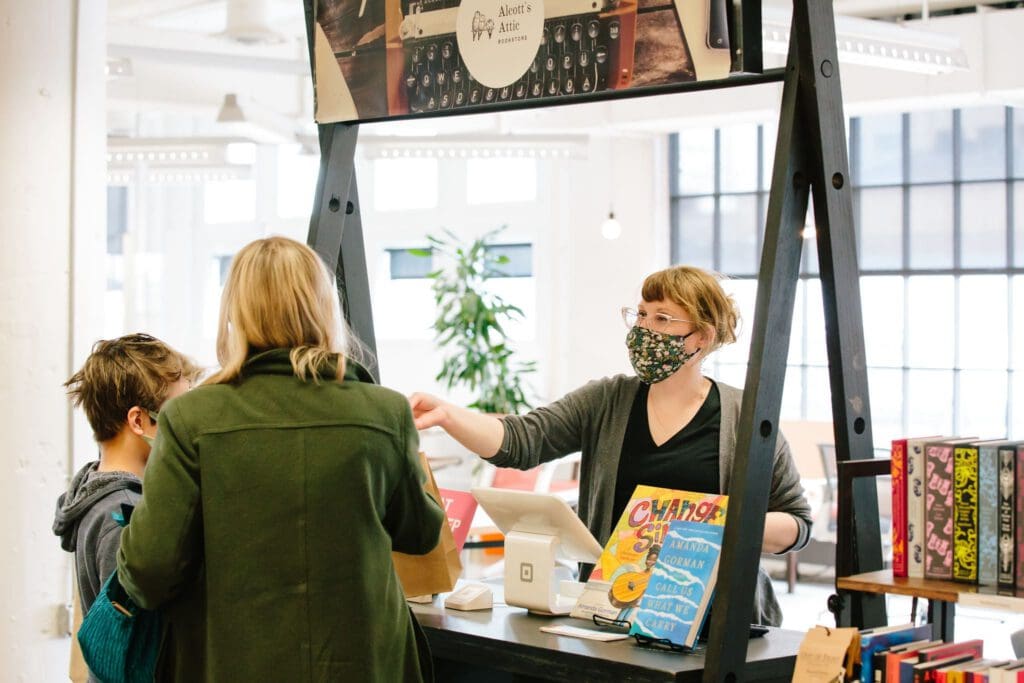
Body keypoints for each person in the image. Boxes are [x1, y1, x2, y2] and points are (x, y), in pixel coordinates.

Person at [116, 236, 446, 682]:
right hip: (364, 665)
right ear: (323, 307)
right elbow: (422, 533)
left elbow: (149, 570)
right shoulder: (384, 411)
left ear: (235, 312)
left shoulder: (191, 418)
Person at [410, 265, 812, 626]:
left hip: (713, 623)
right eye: (640, 314)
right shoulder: (607, 401)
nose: (644, 329)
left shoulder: (747, 417)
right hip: (610, 613)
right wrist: (447, 414)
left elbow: (796, 524)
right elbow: (521, 441)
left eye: (663, 318)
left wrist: (712, 525)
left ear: (701, 338)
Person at [52, 333, 199, 681]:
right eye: (175, 416)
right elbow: (128, 645)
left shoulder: (97, 495)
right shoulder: (121, 514)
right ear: (138, 421)